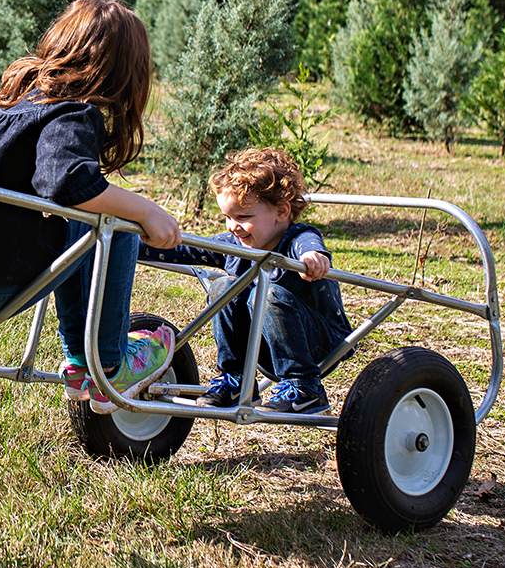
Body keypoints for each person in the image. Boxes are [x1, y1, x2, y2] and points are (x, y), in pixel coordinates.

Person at [0, 0, 180, 414]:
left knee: (75, 229)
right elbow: (66, 183)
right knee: (113, 225)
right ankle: (109, 367)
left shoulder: (16, 97)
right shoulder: (74, 111)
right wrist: (146, 210)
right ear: (124, 72)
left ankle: (84, 366)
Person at [144, 147, 352, 413]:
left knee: (268, 294)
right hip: (264, 345)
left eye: (243, 217)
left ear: (281, 211)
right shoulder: (236, 244)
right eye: (228, 217)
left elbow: (309, 244)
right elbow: (183, 249)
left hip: (319, 344)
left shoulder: (297, 238)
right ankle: (236, 379)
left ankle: (305, 386)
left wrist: (313, 257)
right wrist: (130, 242)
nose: (232, 226)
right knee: (222, 286)